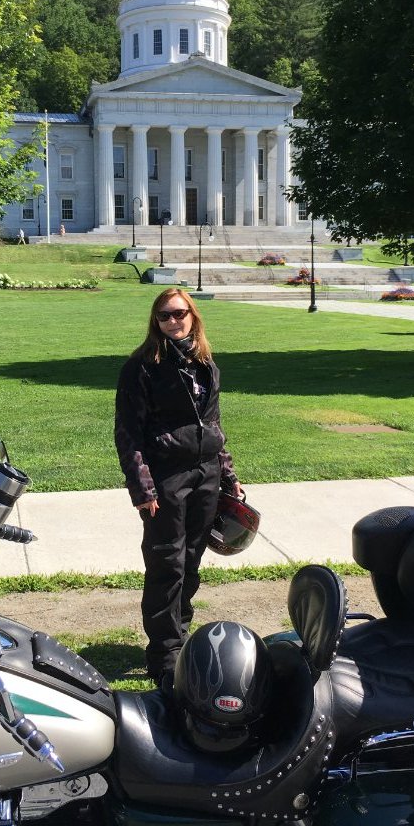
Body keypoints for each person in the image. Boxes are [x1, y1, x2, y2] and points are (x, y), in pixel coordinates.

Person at [115, 288, 241, 689]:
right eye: (164, 315)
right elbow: (128, 434)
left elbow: (214, 425)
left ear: (193, 316)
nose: (173, 321)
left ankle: (179, 635)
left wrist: (228, 476)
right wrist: (143, 488)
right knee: (166, 563)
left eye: (179, 314)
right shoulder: (142, 367)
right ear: (155, 321)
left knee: (190, 561)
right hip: (166, 478)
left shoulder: (204, 363)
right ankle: (164, 655)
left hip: (205, 474)